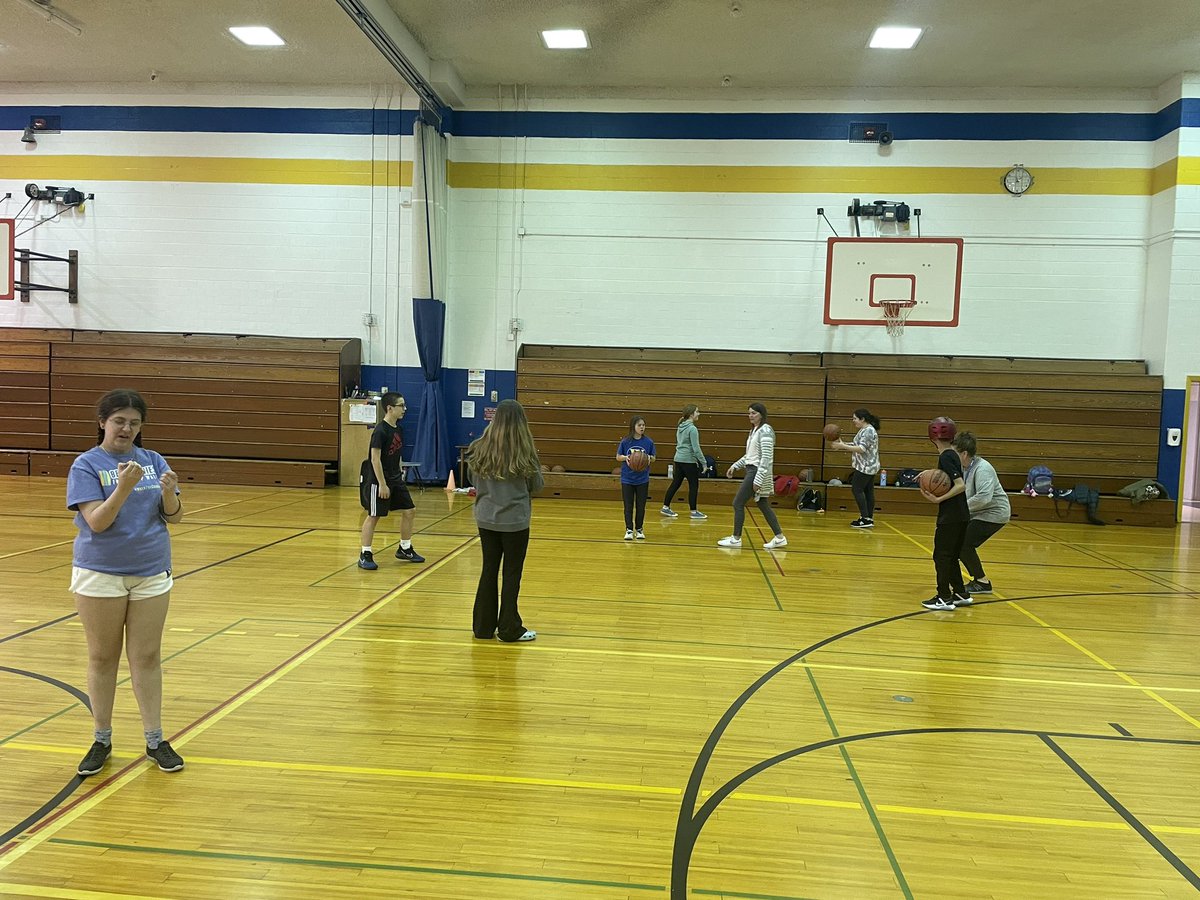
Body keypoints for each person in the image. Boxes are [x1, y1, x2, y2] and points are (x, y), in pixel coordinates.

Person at [67, 389, 185, 777]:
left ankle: (155, 739)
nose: (126, 429)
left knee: (147, 657)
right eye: (119, 421)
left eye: (134, 423)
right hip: (100, 574)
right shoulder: (86, 465)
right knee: (103, 657)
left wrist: (169, 494)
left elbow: (175, 516)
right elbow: (97, 522)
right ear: (102, 422)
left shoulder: (152, 460)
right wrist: (122, 487)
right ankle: (101, 738)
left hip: (151, 570)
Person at [467, 399, 543, 642]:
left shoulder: (479, 447)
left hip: (486, 519)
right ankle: (509, 628)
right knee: (511, 574)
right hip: (515, 521)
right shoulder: (525, 452)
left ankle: (482, 627)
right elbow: (537, 485)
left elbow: (472, 478)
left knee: (488, 569)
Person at [358, 392, 424, 570]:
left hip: (396, 478)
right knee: (374, 515)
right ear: (390, 408)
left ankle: (404, 548)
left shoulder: (398, 429)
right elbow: (375, 459)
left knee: (410, 511)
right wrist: (382, 484)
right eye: (401, 406)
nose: (404, 409)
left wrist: (400, 474)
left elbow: (396, 454)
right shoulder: (380, 431)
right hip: (378, 480)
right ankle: (365, 553)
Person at [718, 403, 787, 550]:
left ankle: (736, 538)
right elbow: (750, 455)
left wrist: (758, 479)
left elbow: (766, 458)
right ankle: (780, 537)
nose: (750, 416)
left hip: (757, 472)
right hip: (752, 469)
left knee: (738, 503)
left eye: (754, 413)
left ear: (761, 414)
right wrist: (735, 465)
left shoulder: (766, 430)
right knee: (763, 504)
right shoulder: (754, 431)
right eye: (749, 413)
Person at [920, 417, 972, 611]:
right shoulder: (952, 454)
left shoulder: (946, 456)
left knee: (941, 556)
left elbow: (960, 485)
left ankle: (944, 597)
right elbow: (947, 479)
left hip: (951, 516)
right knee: (950, 556)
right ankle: (960, 593)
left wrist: (938, 500)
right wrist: (928, 473)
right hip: (961, 515)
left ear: (932, 437)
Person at [953, 431, 1010, 595]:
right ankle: (978, 580)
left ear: (964, 453)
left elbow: (984, 498)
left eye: (955, 453)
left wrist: (961, 509)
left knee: (964, 544)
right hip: (977, 513)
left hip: (994, 513)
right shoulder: (964, 468)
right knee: (960, 544)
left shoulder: (983, 468)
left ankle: (982, 582)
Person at [831, 408, 881, 528]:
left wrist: (842, 446)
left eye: (855, 418)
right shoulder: (865, 430)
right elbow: (857, 445)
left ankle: (865, 518)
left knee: (857, 489)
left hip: (865, 467)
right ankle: (868, 518)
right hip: (869, 466)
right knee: (868, 492)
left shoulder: (868, 431)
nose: (853, 421)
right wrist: (842, 445)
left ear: (862, 419)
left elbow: (861, 449)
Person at [661, 404, 708, 520]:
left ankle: (665, 507)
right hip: (688, 460)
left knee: (676, 483)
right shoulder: (692, 429)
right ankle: (693, 511)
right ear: (691, 414)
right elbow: (696, 448)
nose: (699, 414)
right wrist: (704, 463)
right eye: (697, 412)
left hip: (678, 459)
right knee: (693, 485)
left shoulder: (680, 426)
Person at [617, 415, 656, 540]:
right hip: (627, 479)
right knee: (628, 506)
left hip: (642, 479)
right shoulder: (625, 442)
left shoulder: (648, 442)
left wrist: (648, 458)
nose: (642, 427)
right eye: (639, 425)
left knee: (641, 506)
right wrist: (626, 457)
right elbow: (618, 456)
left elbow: (654, 457)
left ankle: (639, 529)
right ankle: (629, 529)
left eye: (643, 425)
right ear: (633, 427)